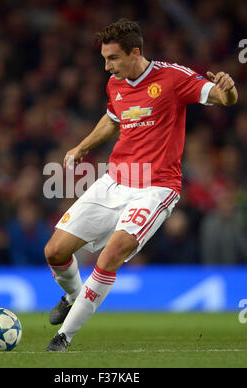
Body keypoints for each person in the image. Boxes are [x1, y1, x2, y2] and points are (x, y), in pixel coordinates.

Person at [44, 19, 238, 352]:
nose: (107, 67)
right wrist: (82, 147)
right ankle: (75, 297)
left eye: (113, 59)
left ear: (136, 52)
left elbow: (223, 97)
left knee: (111, 254)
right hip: (114, 181)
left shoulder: (173, 78)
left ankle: (64, 337)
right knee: (55, 252)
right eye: (104, 59)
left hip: (156, 188)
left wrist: (229, 88)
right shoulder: (115, 84)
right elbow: (112, 119)